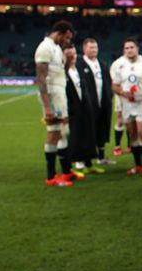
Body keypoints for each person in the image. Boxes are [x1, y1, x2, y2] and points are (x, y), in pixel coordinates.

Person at [34, 20, 77, 187]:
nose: (68, 41)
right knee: (54, 133)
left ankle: (66, 172)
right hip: (52, 95)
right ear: (59, 33)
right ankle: (51, 176)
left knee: (63, 132)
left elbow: (60, 74)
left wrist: (68, 62)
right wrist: (47, 106)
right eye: (67, 37)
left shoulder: (57, 48)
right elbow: (41, 78)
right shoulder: (45, 48)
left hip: (59, 93)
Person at [111, 38, 142, 177]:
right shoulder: (118, 64)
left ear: (137, 48)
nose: (129, 50)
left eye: (131, 47)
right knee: (132, 135)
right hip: (127, 103)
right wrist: (122, 92)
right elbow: (114, 85)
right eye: (126, 48)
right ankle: (137, 165)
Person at [78, 38, 114, 167]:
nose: (94, 50)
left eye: (95, 47)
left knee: (102, 130)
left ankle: (101, 157)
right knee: (85, 132)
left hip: (102, 104)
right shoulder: (79, 65)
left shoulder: (102, 64)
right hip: (85, 106)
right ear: (84, 49)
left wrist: (109, 97)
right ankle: (82, 159)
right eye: (91, 47)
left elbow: (108, 83)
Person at [64, 45, 99, 173]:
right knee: (75, 136)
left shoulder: (79, 69)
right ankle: (77, 164)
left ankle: (88, 163)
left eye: (74, 53)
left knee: (88, 134)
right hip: (72, 110)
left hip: (85, 108)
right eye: (69, 54)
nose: (73, 57)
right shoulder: (63, 72)